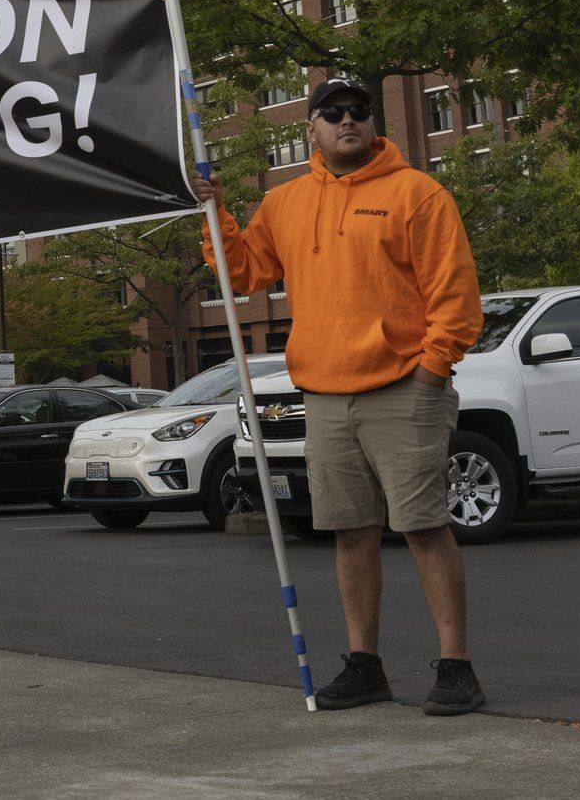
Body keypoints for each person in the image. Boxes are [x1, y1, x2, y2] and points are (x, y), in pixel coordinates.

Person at [193, 75, 486, 715]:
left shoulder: (419, 193)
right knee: (351, 532)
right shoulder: (287, 202)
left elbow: (457, 300)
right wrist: (213, 210)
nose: (346, 120)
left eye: (358, 111)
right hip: (323, 395)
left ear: (372, 122)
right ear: (312, 129)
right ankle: (364, 665)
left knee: (424, 527)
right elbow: (242, 271)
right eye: (332, 112)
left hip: (404, 388)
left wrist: (431, 371)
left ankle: (457, 666)